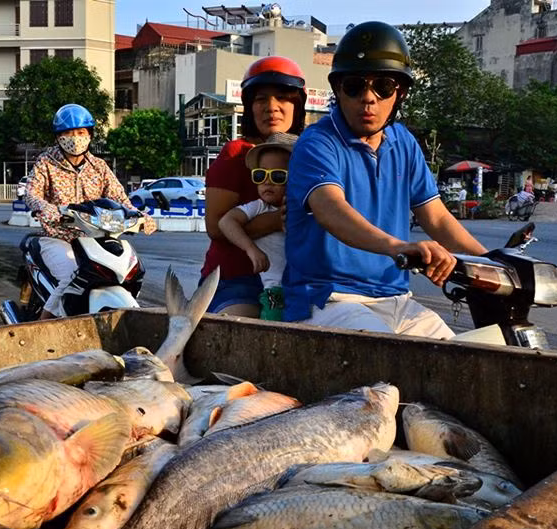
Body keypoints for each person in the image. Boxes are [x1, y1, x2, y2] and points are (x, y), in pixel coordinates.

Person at [284, 21, 487, 338]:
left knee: (468, 361)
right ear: (338, 90)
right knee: (393, 373)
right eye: (354, 86)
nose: (368, 98)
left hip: (398, 302)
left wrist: (489, 262)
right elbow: (330, 208)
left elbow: (435, 216)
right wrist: (399, 247)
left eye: (383, 86)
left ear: (400, 93)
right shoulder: (317, 143)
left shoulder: (403, 142)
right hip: (329, 300)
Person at [25, 103, 156, 320]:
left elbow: (120, 199)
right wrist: (48, 208)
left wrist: (141, 217)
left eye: (80, 132)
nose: (74, 138)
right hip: (58, 238)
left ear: (89, 135)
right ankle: (40, 328)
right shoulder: (46, 163)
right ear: (58, 136)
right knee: (72, 275)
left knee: (127, 273)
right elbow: (32, 193)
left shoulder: (99, 167)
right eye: (68, 132)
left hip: (95, 240)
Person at [200, 56, 307, 317]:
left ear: (298, 105)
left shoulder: (310, 155)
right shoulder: (236, 154)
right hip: (237, 279)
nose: (272, 107)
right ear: (249, 107)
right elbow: (216, 227)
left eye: (283, 97)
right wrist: (277, 220)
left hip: (296, 279)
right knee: (245, 330)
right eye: (261, 99)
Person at [217, 132, 296, 321]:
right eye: (261, 175)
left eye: (277, 176)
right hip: (275, 291)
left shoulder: (305, 205)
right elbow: (225, 222)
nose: (267, 181)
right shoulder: (259, 207)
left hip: (306, 286)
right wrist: (251, 250)